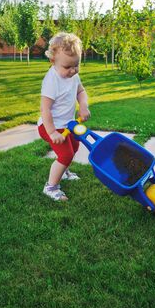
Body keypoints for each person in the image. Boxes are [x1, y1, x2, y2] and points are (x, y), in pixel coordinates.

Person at [38, 32, 90, 201]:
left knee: (74, 147)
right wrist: (52, 132)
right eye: (67, 67)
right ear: (53, 61)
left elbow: (81, 91)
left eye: (76, 65)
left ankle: (64, 171)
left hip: (68, 124)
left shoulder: (73, 76)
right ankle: (51, 187)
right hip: (50, 126)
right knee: (66, 154)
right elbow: (45, 109)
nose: (73, 70)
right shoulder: (52, 80)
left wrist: (83, 106)